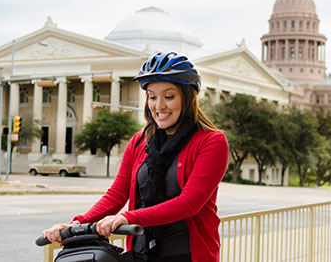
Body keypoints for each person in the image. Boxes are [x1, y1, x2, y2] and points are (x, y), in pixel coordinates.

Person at [43, 52, 229, 262]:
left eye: (169, 96)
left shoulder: (211, 141)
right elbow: (116, 194)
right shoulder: (140, 142)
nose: (159, 106)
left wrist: (127, 217)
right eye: (152, 96)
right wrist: (76, 224)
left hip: (188, 254)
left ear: (187, 98)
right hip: (143, 253)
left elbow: (189, 203)